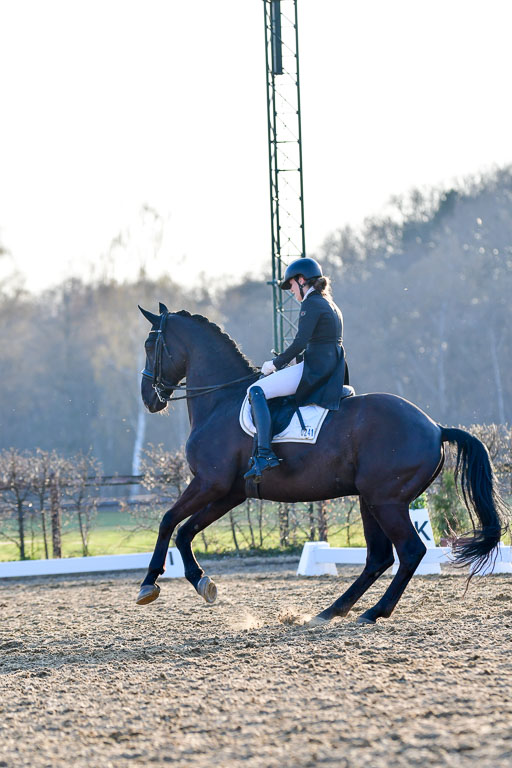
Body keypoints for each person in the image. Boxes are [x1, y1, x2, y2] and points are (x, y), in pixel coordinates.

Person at [244, 257, 348, 482]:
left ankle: (264, 455)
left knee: (256, 390)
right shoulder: (329, 303)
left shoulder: (311, 303)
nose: (291, 291)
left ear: (301, 280)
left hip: (315, 370)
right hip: (329, 367)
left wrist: (276, 364)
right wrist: (295, 361)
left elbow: (301, 342)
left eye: (291, 285)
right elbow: (320, 342)